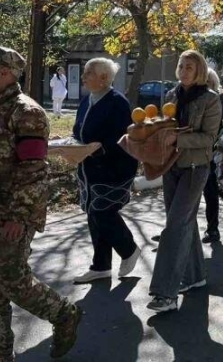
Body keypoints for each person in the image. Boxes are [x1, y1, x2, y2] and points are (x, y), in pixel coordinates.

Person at [0, 45, 82, 360]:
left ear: (4, 73)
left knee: (12, 280)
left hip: (13, 216)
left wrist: (18, 215)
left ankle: (63, 313)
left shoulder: (27, 114)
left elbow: (33, 171)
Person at [148, 50, 222, 313]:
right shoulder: (171, 95)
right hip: (171, 167)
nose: (183, 69)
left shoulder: (211, 99)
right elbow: (164, 128)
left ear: (199, 70)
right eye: (180, 65)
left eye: (189, 66)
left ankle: (165, 294)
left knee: (175, 226)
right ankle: (196, 276)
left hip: (194, 168)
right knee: (183, 223)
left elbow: (209, 138)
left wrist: (177, 139)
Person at [72, 58, 141, 284]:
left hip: (113, 169)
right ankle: (101, 266)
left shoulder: (117, 102)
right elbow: (78, 130)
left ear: (103, 78)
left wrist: (99, 148)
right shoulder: (87, 100)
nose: (83, 77)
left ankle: (129, 249)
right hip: (89, 167)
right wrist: (69, 144)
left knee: (103, 212)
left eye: (88, 73)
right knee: (93, 213)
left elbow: (122, 138)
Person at [202, 69, 223, 243]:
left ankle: (213, 229)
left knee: (210, 192)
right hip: (194, 152)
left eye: (208, 82)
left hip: (213, 153)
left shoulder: (220, 100)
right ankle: (177, 229)